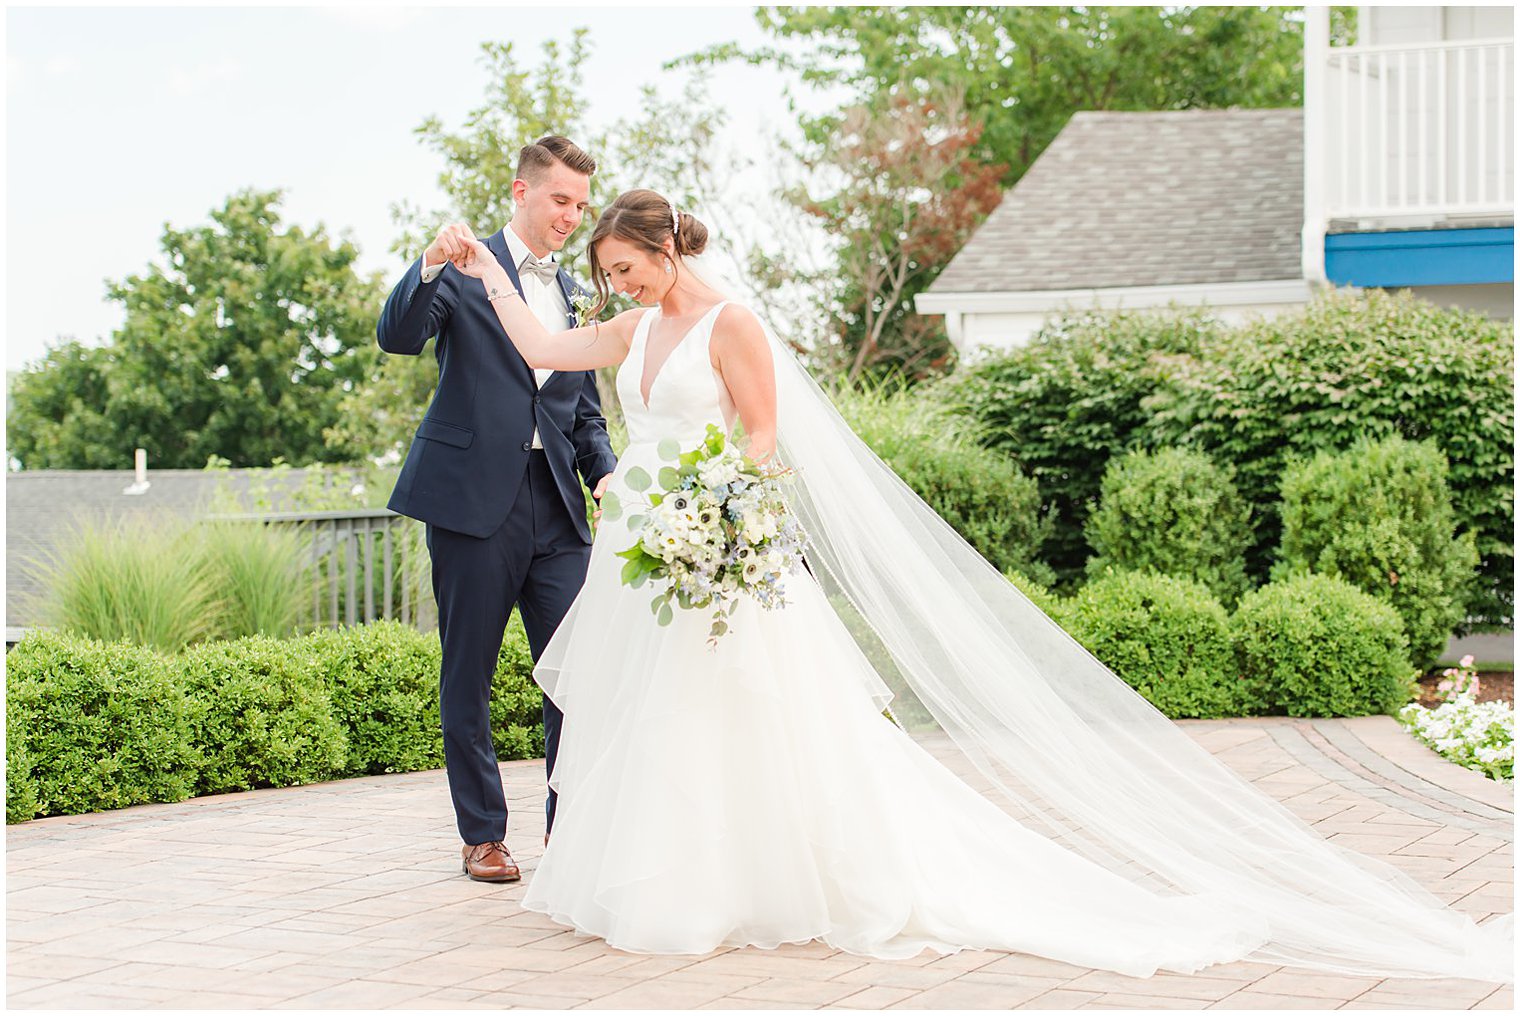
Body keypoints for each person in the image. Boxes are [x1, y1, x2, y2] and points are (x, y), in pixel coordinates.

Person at [444, 188, 1512, 980]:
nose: (614, 287)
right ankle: (666, 880)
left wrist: (717, 518)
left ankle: (765, 879)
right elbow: (540, 341)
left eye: (625, 267)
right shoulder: (630, 331)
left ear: (665, 249)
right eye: (607, 276)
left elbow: (765, 439)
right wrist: (481, 269)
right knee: (654, 719)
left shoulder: (733, 327)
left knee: (750, 719)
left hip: (719, 551)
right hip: (648, 557)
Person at [376, 137, 617, 883]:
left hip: (559, 513)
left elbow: (583, 412)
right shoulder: (464, 264)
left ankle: (569, 831)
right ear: (521, 193)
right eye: (560, 201)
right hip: (471, 505)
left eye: (581, 205)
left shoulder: (579, 290)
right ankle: (482, 836)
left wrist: (605, 474)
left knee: (577, 675)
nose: (572, 216)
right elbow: (398, 336)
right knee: (468, 676)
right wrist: (428, 265)